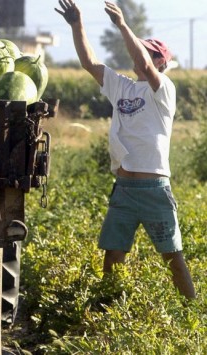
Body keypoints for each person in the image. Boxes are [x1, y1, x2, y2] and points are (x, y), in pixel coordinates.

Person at [55, 0, 196, 299]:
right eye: (141, 49)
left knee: (172, 255)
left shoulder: (164, 89)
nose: (142, 55)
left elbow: (144, 64)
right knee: (113, 255)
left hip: (154, 188)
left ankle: (191, 307)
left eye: (149, 52)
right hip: (125, 188)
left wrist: (122, 25)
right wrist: (77, 25)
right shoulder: (123, 86)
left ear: (161, 62)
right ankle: (109, 308)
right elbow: (90, 63)